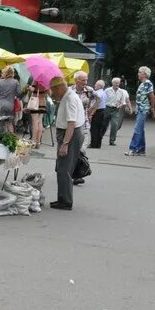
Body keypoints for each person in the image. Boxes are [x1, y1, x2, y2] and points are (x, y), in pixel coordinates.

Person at [50, 75, 86, 210]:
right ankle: (62, 198)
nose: (53, 93)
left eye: (54, 90)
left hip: (70, 134)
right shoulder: (68, 95)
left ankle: (65, 201)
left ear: (59, 87)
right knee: (62, 166)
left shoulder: (70, 98)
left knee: (64, 168)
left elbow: (71, 122)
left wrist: (65, 144)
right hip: (70, 133)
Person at [126, 66, 155, 156]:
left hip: (143, 109)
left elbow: (152, 96)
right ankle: (141, 149)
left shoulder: (147, 83)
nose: (138, 74)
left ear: (145, 74)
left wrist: (152, 109)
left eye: (140, 72)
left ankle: (133, 149)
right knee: (140, 129)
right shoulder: (142, 83)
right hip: (140, 109)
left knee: (137, 129)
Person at [104, 77, 130, 147]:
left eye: (118, 83)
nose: (117, 84)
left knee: (114, 125)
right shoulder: (107, 90)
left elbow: (123, 101)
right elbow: (103, 99)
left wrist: (120, 105)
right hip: (107, 108)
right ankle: (100, 137)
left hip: (116, 110)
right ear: (112, 83)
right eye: (115, 83)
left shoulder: (121, 92)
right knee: (104, 124)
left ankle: (112, 140)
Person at [26, 79, 47, 146]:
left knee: (35, 122)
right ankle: (38, 141)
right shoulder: (47, 81)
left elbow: (33, 89)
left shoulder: (37, 79)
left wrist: (29, 87)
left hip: (35, 103)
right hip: (43, 103)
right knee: (40, 122)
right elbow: (50, 93)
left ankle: (33, 141)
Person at [89, 79, 108, 148]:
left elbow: (97, 101)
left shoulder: (98, 93)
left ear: (99, 86)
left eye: (96, 84)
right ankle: (98, 144)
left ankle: (93, 143)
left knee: (94, 128)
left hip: (98, 111)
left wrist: (91, 110)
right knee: (99, 128)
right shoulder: (104, 93)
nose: (95, 85)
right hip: (103, 111)